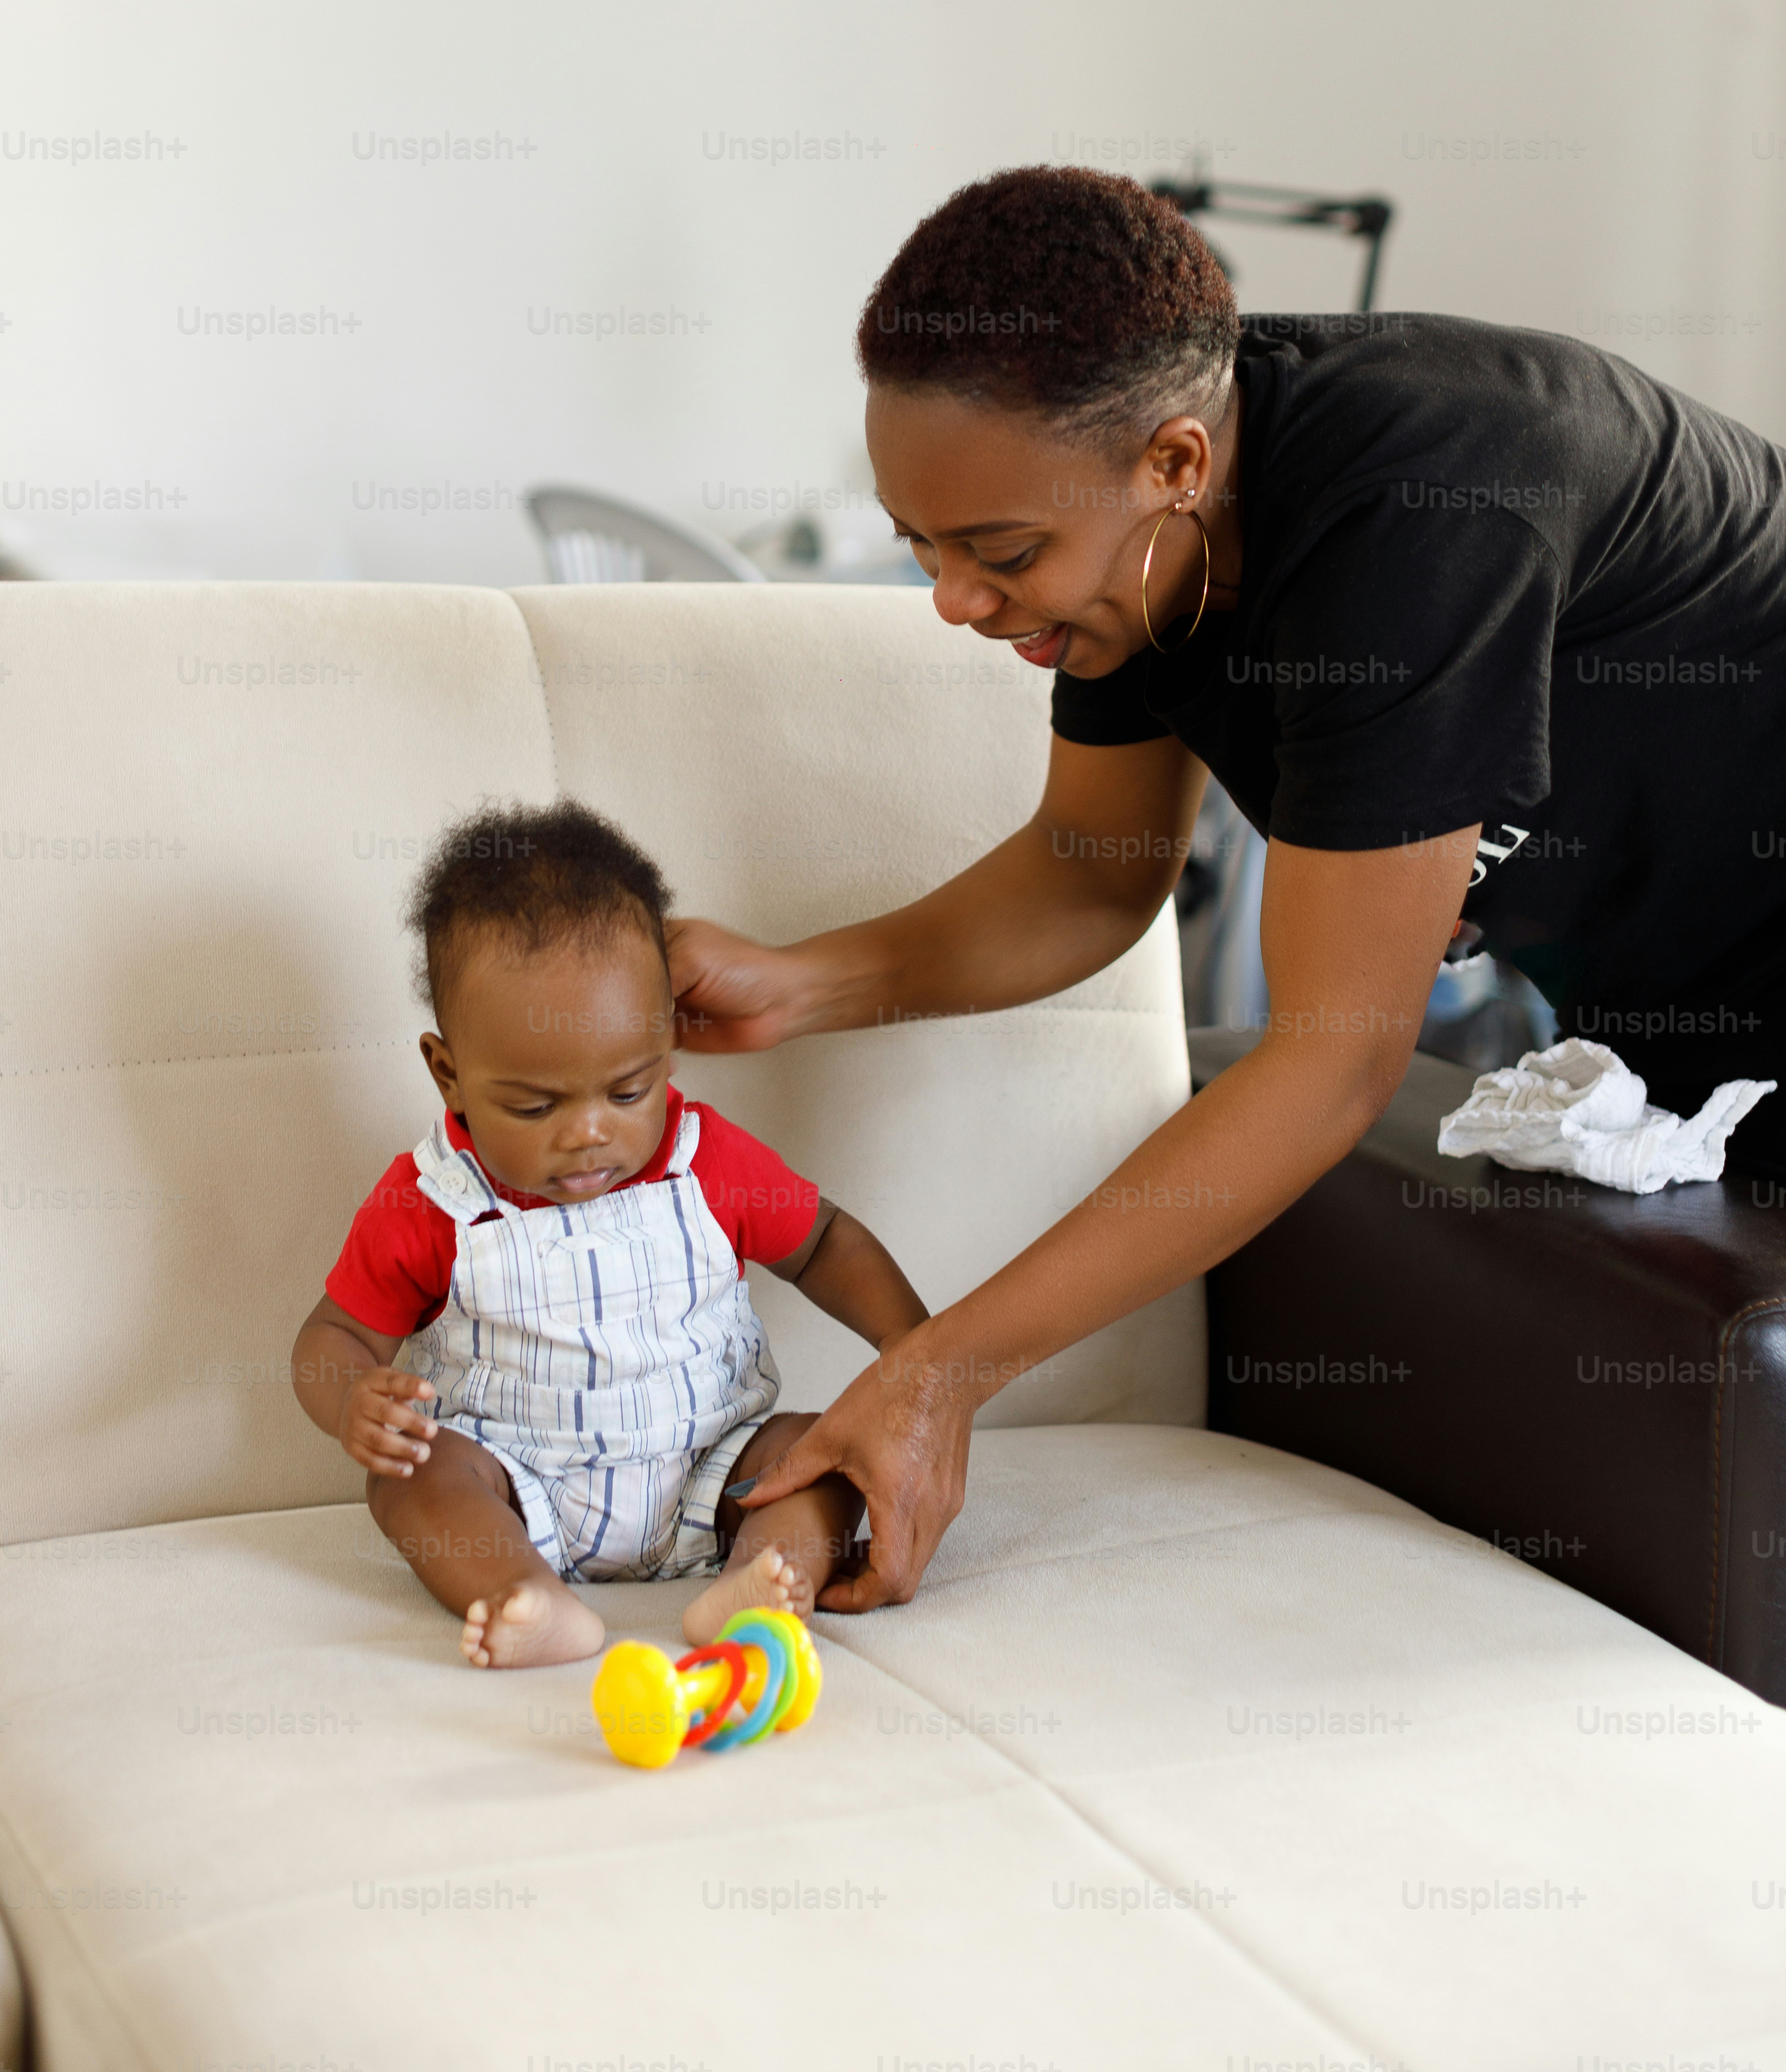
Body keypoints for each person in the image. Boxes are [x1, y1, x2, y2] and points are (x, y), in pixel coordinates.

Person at [669, 163, 1786, 1613]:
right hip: (1676, 1011)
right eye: (922, 549)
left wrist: (937, 1378)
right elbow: (1087, 883)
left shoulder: (1417, 512)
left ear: (1177, 465)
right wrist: (797, 980)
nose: (954, 602)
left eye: (1001, 553)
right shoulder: (1152, 549)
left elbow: (1329, 1067)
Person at [290, 800, 927, 1667]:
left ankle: (762, 1575)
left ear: (666, 1044)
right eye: (535, 1104)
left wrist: (914, 1350)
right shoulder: (432, 1199)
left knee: (816, 1459)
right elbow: (333, 1335)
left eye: (627, 1091)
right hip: (516, 1483)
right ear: (450, 1075)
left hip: (718, 1463)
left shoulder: (708, 1161)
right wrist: (350, 1401)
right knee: (413, 1477)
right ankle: (519, 1593)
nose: (590, 1131)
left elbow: (824, 1245)